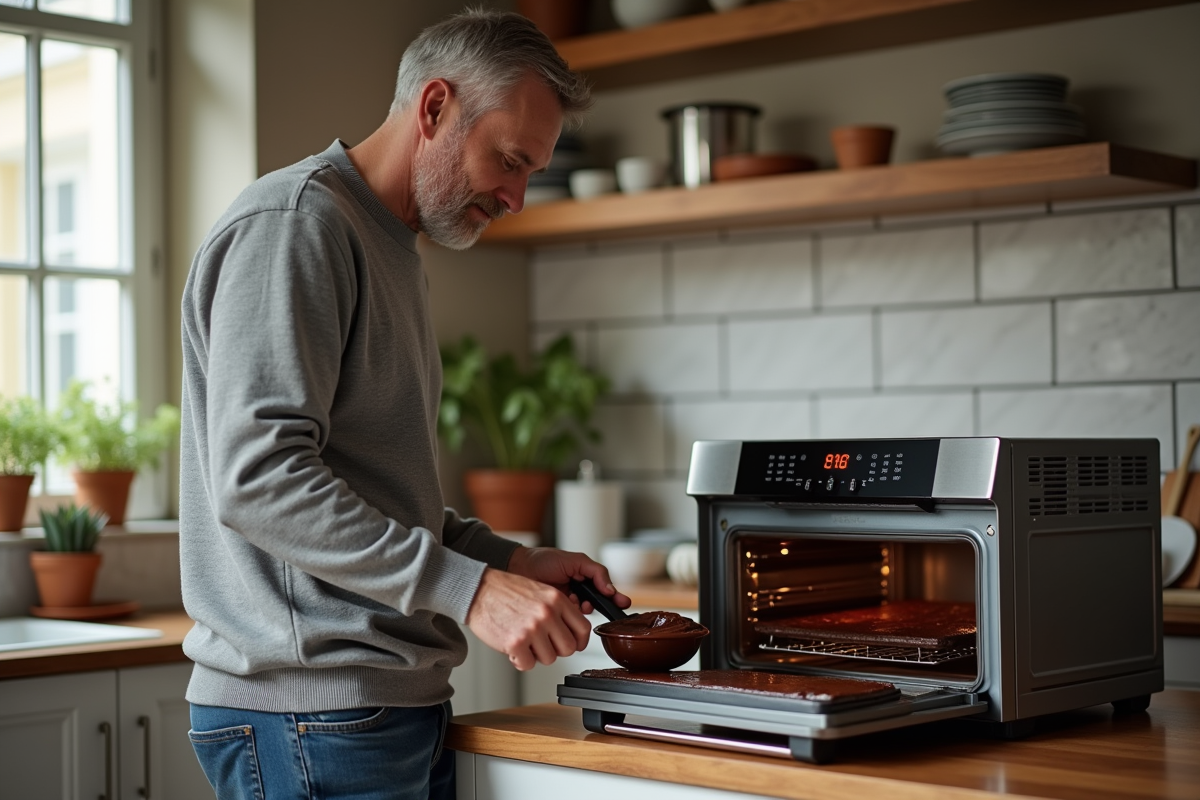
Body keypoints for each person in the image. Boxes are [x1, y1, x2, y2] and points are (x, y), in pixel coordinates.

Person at [178, 9, 628, 799]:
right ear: (434, 109)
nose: (518, 197)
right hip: (309, 714)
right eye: (511, 160)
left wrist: (511, 561)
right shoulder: (298, 226)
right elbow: (260, 480)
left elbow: (375, 492)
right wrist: (473, 591)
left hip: (377, 711)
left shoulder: (389, 247)